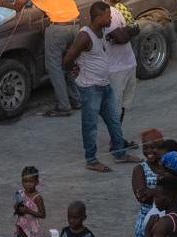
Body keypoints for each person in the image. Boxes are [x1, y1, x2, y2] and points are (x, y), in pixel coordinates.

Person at [65, 2, 139, 172]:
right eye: (107, 16)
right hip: (90, 88)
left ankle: (120, 154)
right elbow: (68, 58)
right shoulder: (85, 36)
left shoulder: (102, 30)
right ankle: (91, 160)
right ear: (98, 17)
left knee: (114, 120)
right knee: (90, 125)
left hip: (104, 85)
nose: (111, 17)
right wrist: (74, 73)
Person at [30, 0, 82, 117]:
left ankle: (64, 106)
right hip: (75, 25)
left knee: (54, 67)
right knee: (68, 64)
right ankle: (76, 100)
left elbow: (18, 6)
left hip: (59, 27)